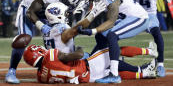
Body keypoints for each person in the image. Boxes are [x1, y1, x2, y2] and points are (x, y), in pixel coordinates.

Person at [5, 0, 81, 84]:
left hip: (48, 15)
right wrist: (42, 26)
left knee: (55, 42)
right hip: (29, 10)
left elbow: (68, 24)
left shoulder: (74, 3)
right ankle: (11, 71)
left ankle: (52, 67)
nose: (66, 3)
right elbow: (30, 12)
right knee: (24, 38)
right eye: (65, 0)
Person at [77, 0, 149, 83]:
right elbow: (88, 19)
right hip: (126, 18)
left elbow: (111, 21)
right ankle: (96, 61)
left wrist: (92, 31)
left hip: (139, 18)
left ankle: (114, 74)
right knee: (101, 36)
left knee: (112, 35)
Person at [118, 0, 165, 77]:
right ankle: (117, 57)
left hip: (148, 13)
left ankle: (160, 64)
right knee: (113, 31)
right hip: (132, 12)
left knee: (157, 33)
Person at [23, 44, 157, 84]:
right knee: (115, 51)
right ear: (39, 52)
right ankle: (151, 51)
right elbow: (79, 55)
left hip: (85, 79)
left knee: (116, 73)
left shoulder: (40, 77)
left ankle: (145, 73)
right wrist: (79, 49)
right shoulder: (50, 55)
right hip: (87, 66)